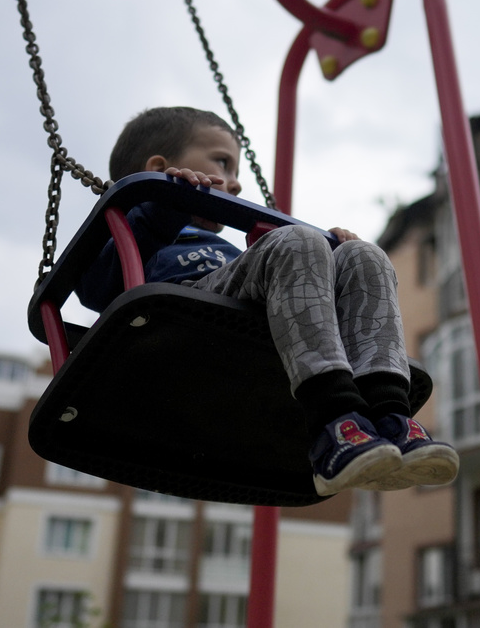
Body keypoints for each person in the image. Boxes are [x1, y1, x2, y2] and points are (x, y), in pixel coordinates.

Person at [77, 107, 458, 496]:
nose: (237, 184)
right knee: (297, 239)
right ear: (160, 166)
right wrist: (161, 209)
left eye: (237, 172)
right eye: (222, 163)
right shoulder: (130, 228)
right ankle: (333, 422)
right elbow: (94, 288)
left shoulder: (224, 248)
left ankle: (390, 417)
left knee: (365, 255)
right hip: (177, 323)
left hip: (250, 328)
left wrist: (335, 260)